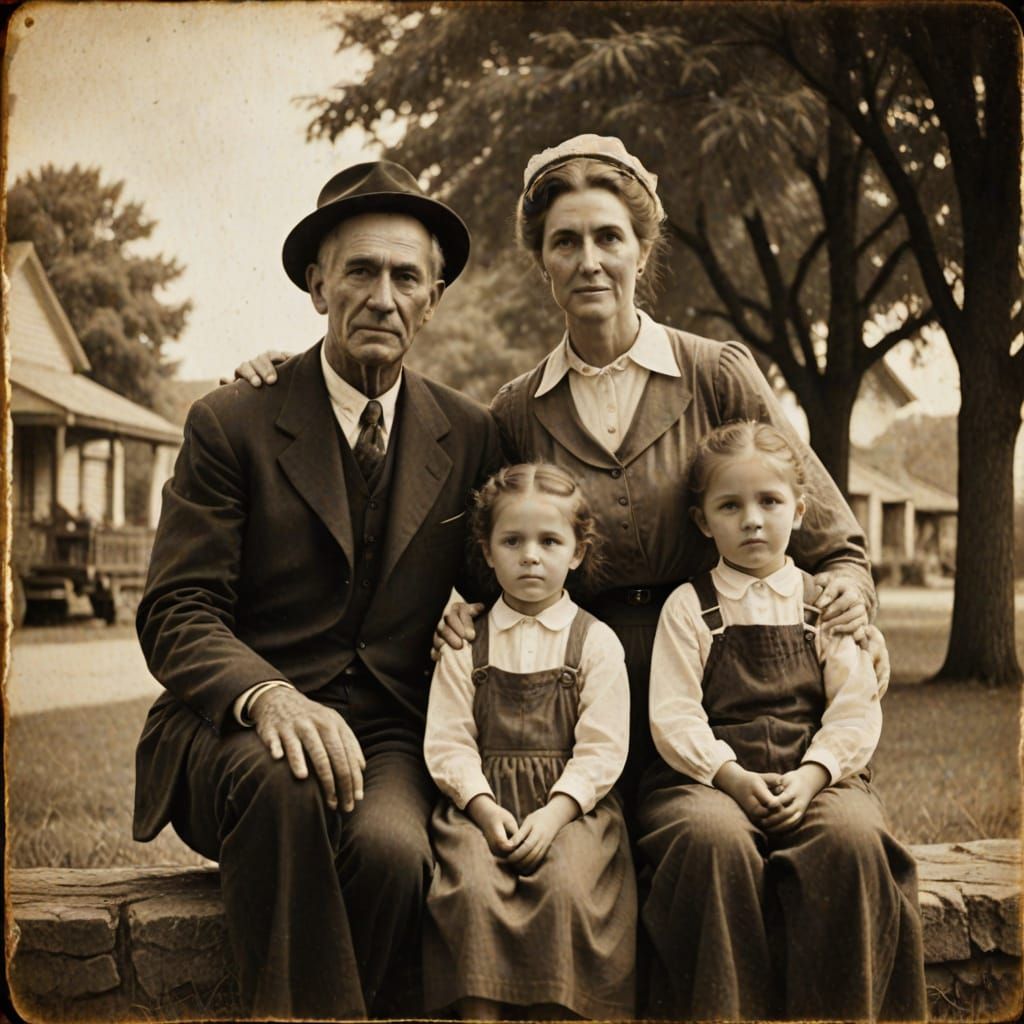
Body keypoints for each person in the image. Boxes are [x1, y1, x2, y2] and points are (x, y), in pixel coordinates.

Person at [232, 134, 889, 807]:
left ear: (642, 249)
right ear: (542, 262)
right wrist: (303, 380)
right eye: (565, 242)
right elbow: (482, 549)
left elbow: (832, 541)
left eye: (609, 238)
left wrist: (846, 594)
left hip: (712, 687)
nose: (590, 262)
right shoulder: (514, 412)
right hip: (573, 695)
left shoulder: (716, 374)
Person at [132, 160, 502, 1019]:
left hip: (385, 736)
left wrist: (474, 611)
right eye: (360, 272)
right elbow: (176, 610)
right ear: (316, 285)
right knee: (288, 781)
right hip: (229, 736)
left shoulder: (472, 433)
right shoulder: (232, 421)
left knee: (394, 854)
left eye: (407, 276)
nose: (383, 296)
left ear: (433, 298)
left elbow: (508, 569)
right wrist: (265, 696)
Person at [638, 420, 926, 1021]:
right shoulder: (690, 606)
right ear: (702, 521)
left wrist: (814, 775)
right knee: (709, 842)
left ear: (798, 510)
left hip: (815, 774)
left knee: (851, 840)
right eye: (730, 505)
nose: (752, 520)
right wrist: (730, 776)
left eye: (769, 501)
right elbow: (673, 713)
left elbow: (854, 706)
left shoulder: (824, 602)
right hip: (708, 780)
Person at [423, 463, 635, 1020]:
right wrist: (483, 807)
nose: (531, 556)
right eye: (512, 541)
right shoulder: (466, 642)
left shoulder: (595, 642)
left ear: (577, 552)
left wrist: (555, 814)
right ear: (487, 553)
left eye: (549, 541)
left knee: (566, 886)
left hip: (570, 808)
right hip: (481, 806)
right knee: (469, 886)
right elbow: (448, 741)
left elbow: (603, 747)